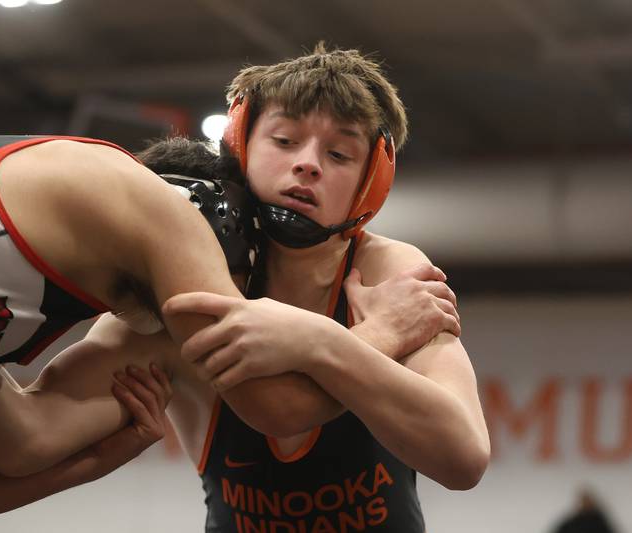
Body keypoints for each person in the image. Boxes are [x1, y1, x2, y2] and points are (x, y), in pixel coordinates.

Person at [0, 135, 458, 526]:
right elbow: (278, 407)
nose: (228, 304)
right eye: (231, 282)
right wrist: (381, 333)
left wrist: (94, 463)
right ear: (211, 226)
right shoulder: (150, 206)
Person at [165, 44, 491, 532]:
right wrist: (370, 338)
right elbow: (36, 436)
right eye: (284, 140)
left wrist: (316, 341)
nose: (308, 164)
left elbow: (464, 456)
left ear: (371, 183)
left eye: (339, 154)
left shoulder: (387, 270)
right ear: (240, 147)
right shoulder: (200, 270)